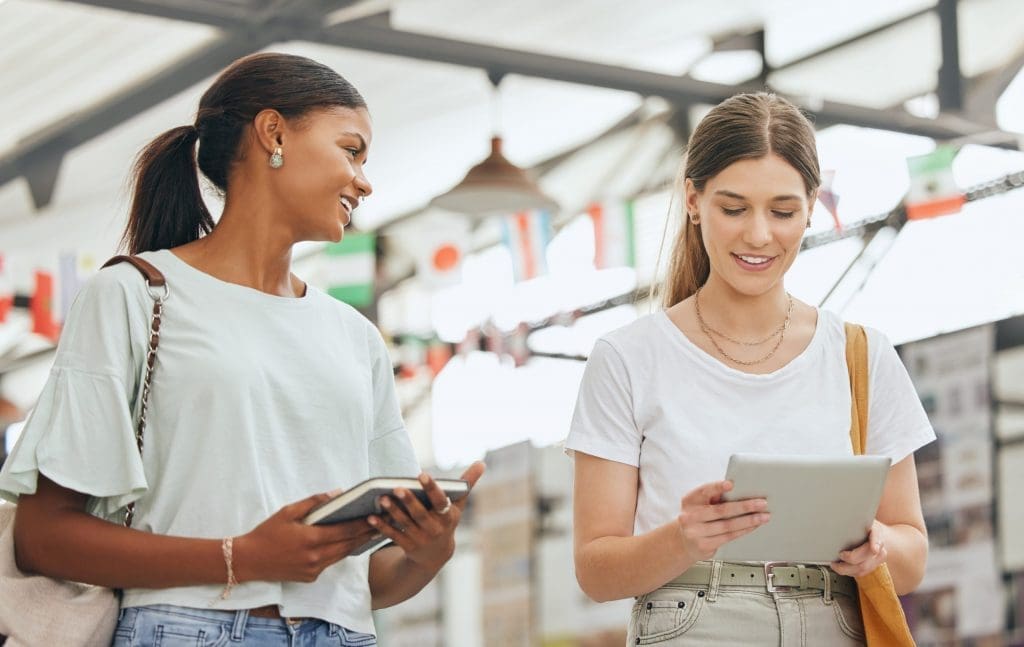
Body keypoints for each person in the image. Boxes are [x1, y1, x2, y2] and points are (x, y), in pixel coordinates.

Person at [0, 52, 484, 646]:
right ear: (274, 133)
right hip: (184, 630)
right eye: (351, 150)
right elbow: (43, 537)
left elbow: (369, 578)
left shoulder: (355, 337)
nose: (365, 180)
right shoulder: (131, 295)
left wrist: (428, 552)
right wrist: (244, 558)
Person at [566, 92, 933, 645]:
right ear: (693, 199)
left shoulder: (862, 355)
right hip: (693, 625)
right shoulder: (627, 358)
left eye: (782, 212)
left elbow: (913, 556)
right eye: (733, 208)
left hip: (834, 625)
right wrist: (683, 539)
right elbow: (595, 570)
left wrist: (877, 546)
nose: (759, 235)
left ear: (812, 205)